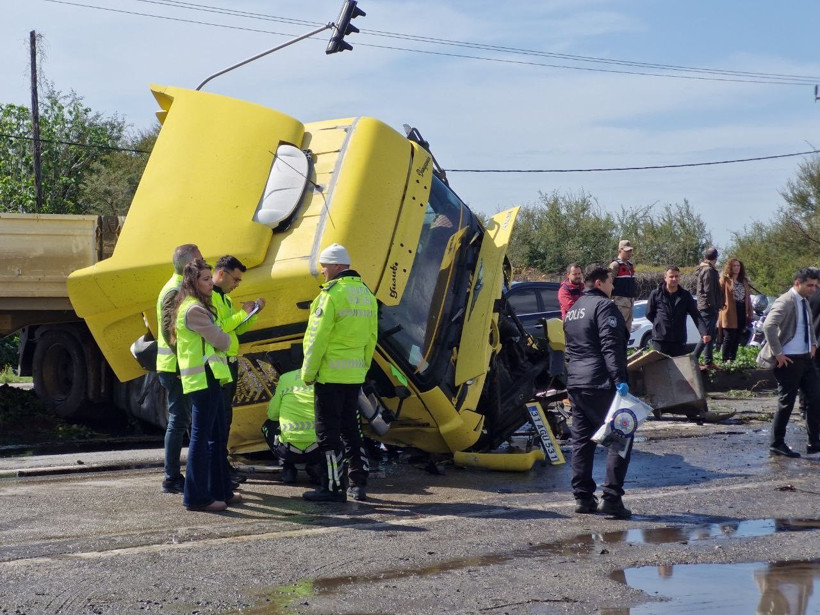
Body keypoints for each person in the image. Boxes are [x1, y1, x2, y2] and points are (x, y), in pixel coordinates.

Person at [301, 243, 378, 503]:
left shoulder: (330, 295)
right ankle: (357, 484)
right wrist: (362, 369)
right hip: (354, 376)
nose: (322, 271)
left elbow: (316, 339)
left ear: (336, 267)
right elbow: (371, 338)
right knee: (351, 431)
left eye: (324, 266)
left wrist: (308, 373)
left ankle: (332, 487)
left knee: (327, 435)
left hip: (329, 377)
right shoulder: (366, 294)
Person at [563, 263, 632, 519]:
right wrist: (619, 380)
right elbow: (610, 347)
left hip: (577, 383)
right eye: (611, 282)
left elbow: (569, 349)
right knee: (621, 436)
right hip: (600, 382)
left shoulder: (574, 309)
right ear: (600, 283)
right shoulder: (605, 307)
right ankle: (612, 498)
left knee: (582, 442)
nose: (613, 286)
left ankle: (583, 498)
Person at [172, 258, 240, 512]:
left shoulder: (198, 306)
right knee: (202, 439)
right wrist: (225, 332)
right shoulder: (194, 310)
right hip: (202, 380)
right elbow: (223, 341)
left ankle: (221, 490)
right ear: (193, 282)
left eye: (211, 278)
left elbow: (221, 336)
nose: (211, 283)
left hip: (209, 377)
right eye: (205, 279)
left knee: (217, 437)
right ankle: (196, 497)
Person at [211, 255, 266, 485]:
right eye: (235, 279)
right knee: (219, 420)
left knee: (226, 418)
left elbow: (236, 331)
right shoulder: (211, 297)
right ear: (221, 274)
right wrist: (243, 313)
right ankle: (219, 469)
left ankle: (223, 465)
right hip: (219, 366)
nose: (237, 285)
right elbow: (220, 328)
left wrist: (252, 314)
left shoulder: (224, 298)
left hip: (230, 362)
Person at [756, 267, 820, 458]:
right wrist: (778, 353)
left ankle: (814, 442)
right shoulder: (786, 300)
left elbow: (809, 324)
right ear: (797, 283)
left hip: (806, 358)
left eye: (816, 285)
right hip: (789, 361)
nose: (814, 289)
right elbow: (768, 325)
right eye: (810, 285)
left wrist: (814, 344)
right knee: (787, 403)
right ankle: (777, 443)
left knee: (815, 399)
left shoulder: (804, 301)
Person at [156, 243, 201, 495]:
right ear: (188, 265)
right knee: (179, 420)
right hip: (175, 367)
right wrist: (183, 362)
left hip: (176, 365)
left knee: (181, 419)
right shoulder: (175, 290)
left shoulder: (179, 287)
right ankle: (171, 478)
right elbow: (167, 330)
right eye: (199, 260)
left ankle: (174, 475)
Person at [262, 369, 322, 485]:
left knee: (268, 425)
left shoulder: (285, 378)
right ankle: (317, 467)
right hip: (318, 449)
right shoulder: (325, 376)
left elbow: (272, 415)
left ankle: (287, 467)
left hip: (288, 451)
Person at [645, 266, 711, 357]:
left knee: (678, 368)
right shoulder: (656, 294)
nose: (674, 279)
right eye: (671, 276)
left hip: (678, 339)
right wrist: (659, 324)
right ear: (665, 278)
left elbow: (696, 315)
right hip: (660, 339)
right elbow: (649, 313)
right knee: (659, 368)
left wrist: (704, 333)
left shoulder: (685, 295)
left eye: (676, 276)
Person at [693, 247, 725, 370]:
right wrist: (714, 305)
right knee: (705, 336)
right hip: (708, 308)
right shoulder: (708, 270)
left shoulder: (706, 269)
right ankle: (694, 360)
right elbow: (708, 291)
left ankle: (708, 361)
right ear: (715, 258)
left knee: (710, 335)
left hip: (707, 307)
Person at [717, 258, 753, 362]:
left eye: (738, 266)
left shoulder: (744, 281)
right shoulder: (725, 280)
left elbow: (748, 298)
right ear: (730, 267)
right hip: (729, 311)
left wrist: (750, 312)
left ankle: (732, 359)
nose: (736, 268)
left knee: (737, 337)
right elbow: (719, 295)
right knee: (729, 336)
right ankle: (724, 360)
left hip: (741, 309)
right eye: (734, 266)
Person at [609, 240, 637, 332]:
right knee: (618, 329)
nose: (629, 253)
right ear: (620, 250)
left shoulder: (630, 265)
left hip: (630, 302)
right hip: (619, 303)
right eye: (627, 250)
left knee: (627, 331)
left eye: (630, 250)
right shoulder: (615, 265)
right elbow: (608, 283)